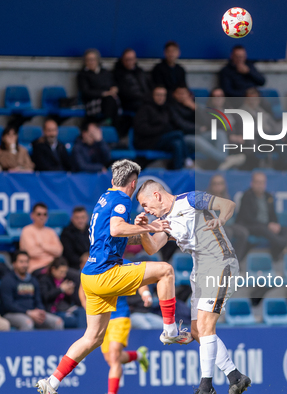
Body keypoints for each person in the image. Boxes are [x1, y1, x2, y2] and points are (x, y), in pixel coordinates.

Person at [36, 160, 192, 394]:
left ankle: (52, 381)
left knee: (93, 338)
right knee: (165, 270)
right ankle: (170, 330)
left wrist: (144, 230)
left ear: (113, 180)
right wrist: (150, 227)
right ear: (133, 183)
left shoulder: (104, 198)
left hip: (89, 276)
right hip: (106, 273)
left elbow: (115, 235)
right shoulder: (121, 200)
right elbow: (117, 229)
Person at [135, 181, 251, 394]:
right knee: (198, 330)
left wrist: (221, 219)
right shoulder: (164, 221)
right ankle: (236, 377)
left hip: (220, 263)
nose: (146, 210)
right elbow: (152, 248)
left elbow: (228, 204)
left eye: (145, 204)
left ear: (156, 195)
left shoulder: (190, 200)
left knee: (205, 326)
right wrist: (144, 230)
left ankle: (206, 387)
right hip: (200, 271)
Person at [78, 283, 150, 394]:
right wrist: (86, 304)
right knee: (111, 359)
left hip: (120, 316)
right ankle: (139, 355)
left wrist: (145, 293)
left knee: (114, 356)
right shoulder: (95, 266)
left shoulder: (124, 264)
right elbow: (83, 286)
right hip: (101, 320)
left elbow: (141, 278)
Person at [0, 251, 64, 331]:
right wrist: (28, 312)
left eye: (26, 262)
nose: (24, 265)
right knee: (27, 323)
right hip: (12, 314)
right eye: (21, 262)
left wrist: (40, 311)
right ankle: (24, 344)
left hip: (33, 313)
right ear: (14, 264)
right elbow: (8, 305)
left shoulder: (33, 280)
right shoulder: (7, 280)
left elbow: (38, 300)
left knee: (57, 322)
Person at [236, 172, 287, 261]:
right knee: (262, 229)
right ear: (252, 183)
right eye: (257, 182)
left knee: (285, 229)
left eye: (262, 182)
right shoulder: (246, 196)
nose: (260, 185)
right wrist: (268, 225)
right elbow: (247, 218)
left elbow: (273, 214)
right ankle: (285, 246)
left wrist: (275, 224)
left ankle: (280, 248)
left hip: (266, 226)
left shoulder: (268, 196)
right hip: (251, 226)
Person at [133, 86, 188, 170]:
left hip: (162, 140)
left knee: (177, 143)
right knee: (178, 134)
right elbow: (142, 129)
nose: (161, 98)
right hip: (148, 141)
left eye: (163, 95)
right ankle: (187, 160)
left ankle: (176, 170)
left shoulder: (166, 109)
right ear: (152, 95)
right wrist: (161, 129)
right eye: (158, 95)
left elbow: (176, 123)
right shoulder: (144, 109)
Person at [207, 174, 250, 262]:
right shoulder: (207, 199)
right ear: (211, 186)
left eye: (220, 184)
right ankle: (223, 261)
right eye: (215, 184)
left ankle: (235, 261)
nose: (218, 186)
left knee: (243, 232)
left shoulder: (226, 197)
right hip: (215, 225)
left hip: (229, 224)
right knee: (227, 233)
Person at [39, 257, 86, 329]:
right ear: (53, 270)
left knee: (82, 311)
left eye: (65, 272)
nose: (63, 275)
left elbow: (71, 301)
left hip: (65, 308)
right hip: (52, 311)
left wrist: (70, 294)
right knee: (73, 320)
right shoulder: (45, 280)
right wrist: (60, 289)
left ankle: (83, 335)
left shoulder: (65, 280)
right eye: (61, 272)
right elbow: (45, 297)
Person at [77, 48, 119, 125]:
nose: (91, 62)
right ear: (85, 61)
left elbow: (113, 83)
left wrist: (114, 88)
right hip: (92, 100)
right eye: (88, 60)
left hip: (109, 99)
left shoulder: (105, 72)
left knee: (112, 99)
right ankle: (108, 122)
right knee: (109, 99)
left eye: (93, 59)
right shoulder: (83, 74)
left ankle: (110, 123)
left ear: (98, 60)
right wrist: (103, 93)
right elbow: (85, 92)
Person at [19, 202, 64, 274]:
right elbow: (31, 252)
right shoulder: (27, 230)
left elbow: (59, 251)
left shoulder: (51, 231)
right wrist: (51, 253)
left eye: (45, 214)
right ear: (32, 215)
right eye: (39, 214)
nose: (42, 217)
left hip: (53, 266)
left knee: (76, 276)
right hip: (36, 267)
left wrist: (42, 245)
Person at [114, 48, 152, 113]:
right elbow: (124, 93)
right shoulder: (118, 74)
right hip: (130, 102)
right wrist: (144, 97)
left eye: (131, 59)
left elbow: (150, 86)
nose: (129, 62)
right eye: (127, 59)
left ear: (135, 59)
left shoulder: (140, 72)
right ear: (122, 60)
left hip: (145, 99)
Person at [60, 206, 90, 271]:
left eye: (83, 217)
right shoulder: (66, 233)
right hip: (74, 266)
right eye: (77, 218)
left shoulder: (92, 230)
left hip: (92, 262)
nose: (80, 221)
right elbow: (68, 254)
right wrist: (83, 259)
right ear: (72, 219)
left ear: (87, 218)